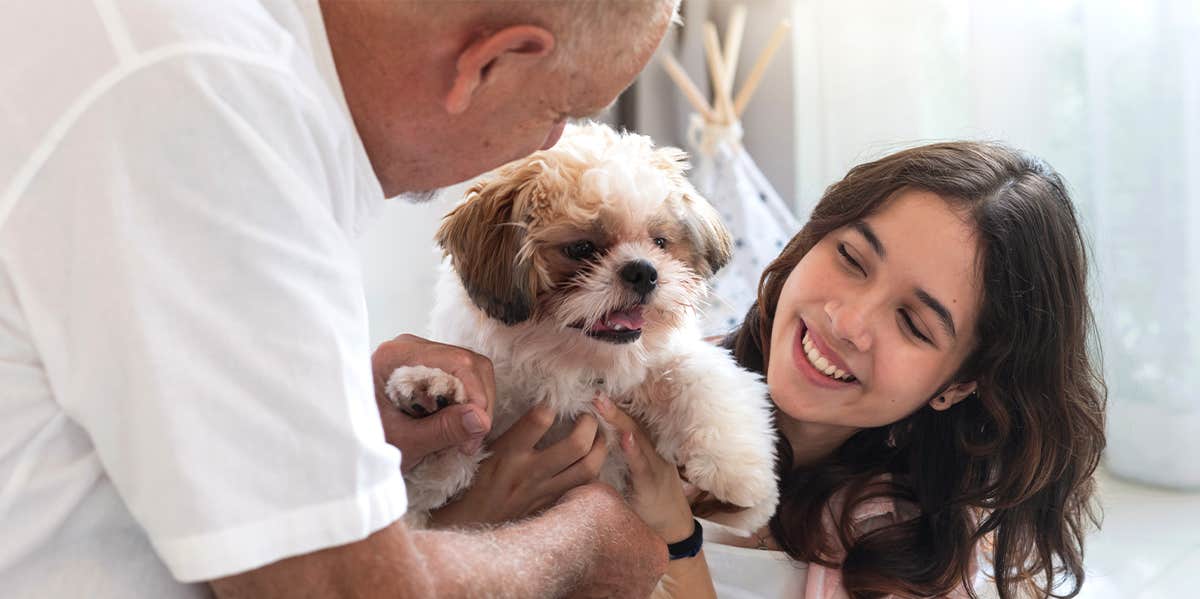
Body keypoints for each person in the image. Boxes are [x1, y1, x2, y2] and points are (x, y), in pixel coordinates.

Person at [0, 1, 678, 598]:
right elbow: (342, 590)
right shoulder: (208, 109)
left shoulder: (200, 60)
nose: (551, 139)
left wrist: (335, 414)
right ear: (490, 62)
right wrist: (582, 543)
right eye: (560, 111)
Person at [596, 141, 1107, 598]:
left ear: (959, 385)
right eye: (852, 259)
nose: (847, 322)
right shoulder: (620, 379)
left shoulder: (916, 560)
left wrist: (676, 540)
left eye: (912, 323)